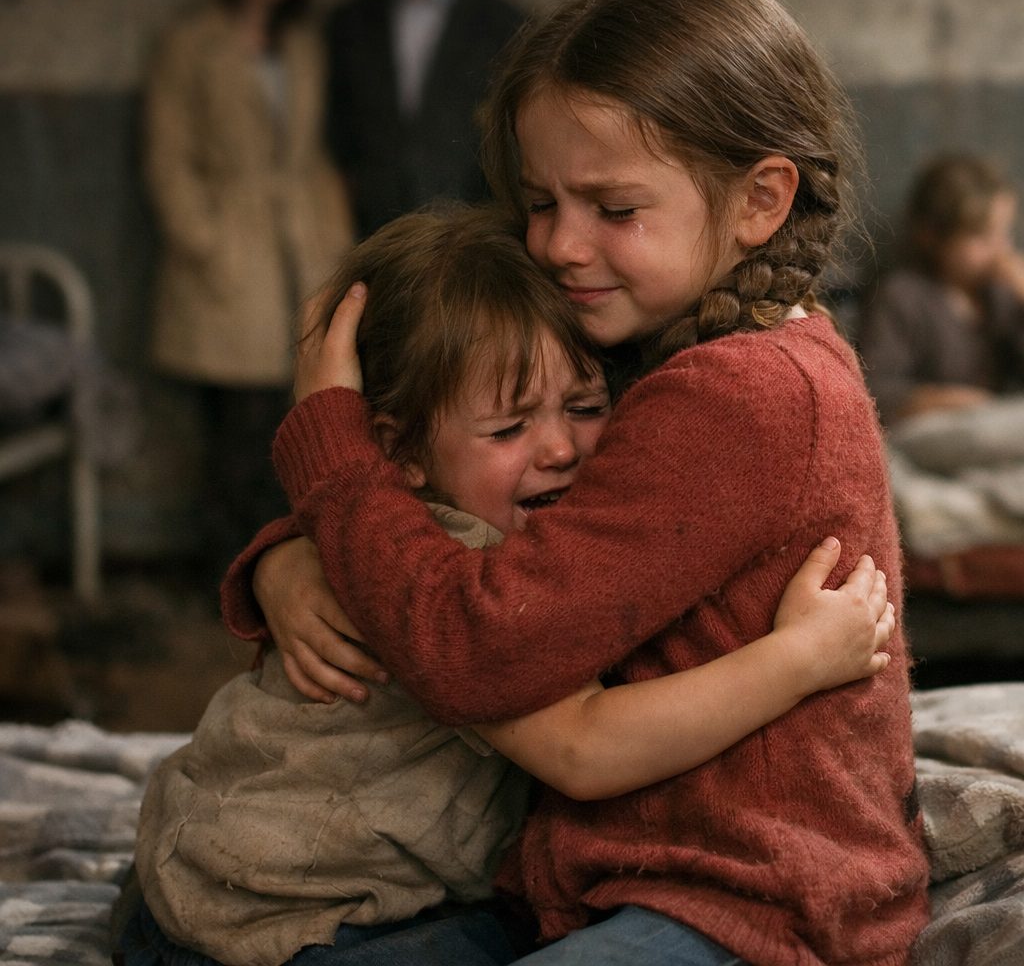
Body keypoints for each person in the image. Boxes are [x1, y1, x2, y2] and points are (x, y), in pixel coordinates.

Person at [224, 0, 932, 965]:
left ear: (759, 200)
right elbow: (454, 518)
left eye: (611, 207)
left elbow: (478, 643)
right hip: (601, 874)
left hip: (750, 902)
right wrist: (286, 556)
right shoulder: (659, 336)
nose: (557, 243)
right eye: (541, 199)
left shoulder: (739, 393)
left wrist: (332, 460)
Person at [120, 207, 893, 966]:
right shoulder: (450, 575)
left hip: (213, 880)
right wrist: (798, 660)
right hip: (283, 925)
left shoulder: (385, 535)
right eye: (507, 429)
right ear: (398, 452)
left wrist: (282, 555)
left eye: (587, 409)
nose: (559, 447)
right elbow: (583, 747)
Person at [145, 0, 353, 568]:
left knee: (295, 409)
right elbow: (168, 153)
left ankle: (277, 562)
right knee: (236, 421)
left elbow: (311, 149)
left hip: (298, 239)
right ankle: (226, 564)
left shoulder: (302, 47)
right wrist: (201, 236)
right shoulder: (191, 43)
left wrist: (333, 236)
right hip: (231, 242)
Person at [324, 0, 524, 237]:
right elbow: (337, 129)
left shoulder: (503, 23)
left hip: (468, 234)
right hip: (372, 233)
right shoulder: (350, 21)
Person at [858, 152, 1024, 427]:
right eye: (981, 235)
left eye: (1004, 232)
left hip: (996, 428)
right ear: (932, 235)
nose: (1000, 248)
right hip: (934, 431)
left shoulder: (1000, 296)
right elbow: (873, 389)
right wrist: (941, 401)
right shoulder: (903, 295)